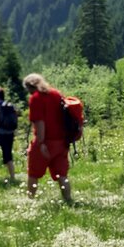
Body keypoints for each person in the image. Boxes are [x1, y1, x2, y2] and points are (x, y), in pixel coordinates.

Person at [23, 73, 73, 204]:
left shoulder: (36, 98)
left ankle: (30, 201)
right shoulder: (57, 94)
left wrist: (41, 143)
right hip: (62, 142)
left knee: (33, 173)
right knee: (62, 174)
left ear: (30, 87)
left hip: (45, 141)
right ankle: (68, 200)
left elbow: (40, 122)